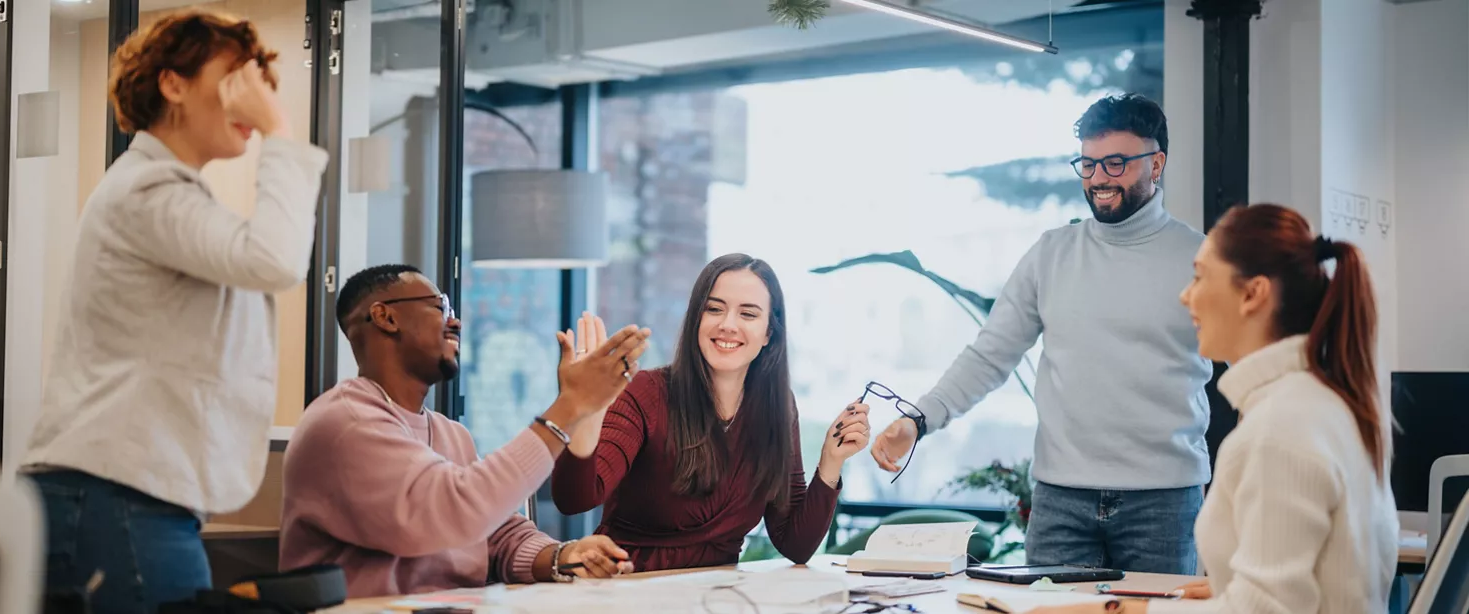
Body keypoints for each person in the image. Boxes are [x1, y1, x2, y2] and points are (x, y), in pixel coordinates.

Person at [20, 10, 327, 613]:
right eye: (236, 77)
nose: (254, 95)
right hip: (114, 497)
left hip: (125, 499)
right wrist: (281, 130)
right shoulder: (146, 191)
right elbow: (273, 259)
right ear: (174, 83)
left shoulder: (168, 192)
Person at [870, 94, 1213, 574]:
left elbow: (1242, 360)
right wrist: (918, 420)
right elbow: (989, 356)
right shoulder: (1051, 253)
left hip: (1163, 503)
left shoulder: (1202, 258)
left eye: (1115, 163)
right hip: (1061, 502)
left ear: (1156, 164)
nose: (1098, 179)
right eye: (1088, 164)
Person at [1028, 205, 1399, 613]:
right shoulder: (1322, 404)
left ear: (1252, 293)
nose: (1186, 296)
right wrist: (1227, 591)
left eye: (1201, 277)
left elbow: (1265, 610)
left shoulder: (1282, 428)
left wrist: (1121, 610)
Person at [280, 265, 651, 597]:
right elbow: (454, 510)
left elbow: (497, 535)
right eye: (440, 307)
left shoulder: (451, 434)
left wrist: (565, 556)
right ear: (385, 316)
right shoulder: (344, 423)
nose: (455, 322)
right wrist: (571, 406)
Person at [549, 253, 870, 572]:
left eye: (748, 314)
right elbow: (574, 500)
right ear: (695, 321)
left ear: (769, 334)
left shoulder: (778, 407)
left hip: (717, 597)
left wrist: (831, 461)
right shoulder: (645, 392)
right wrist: (586, 409)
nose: (728, 325)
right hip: (625, 589)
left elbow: (795, 544)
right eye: (714, 309)